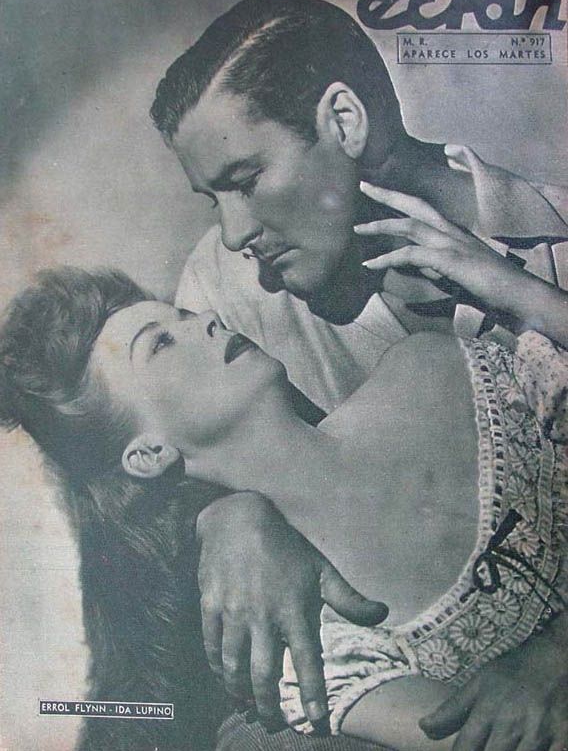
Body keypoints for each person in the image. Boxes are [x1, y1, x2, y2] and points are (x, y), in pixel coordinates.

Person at [149, 0, 568, 748]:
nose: (234, 232)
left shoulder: (558, 245)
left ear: (345, 121)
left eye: (246, 178)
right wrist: (226, 515)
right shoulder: (225, 287)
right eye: (214, 198)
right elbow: (158, 447)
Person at [0, 267, 566, 750]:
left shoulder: (428, 364)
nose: (206, 320)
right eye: (161, 343)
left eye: (183, 315)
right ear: (148, 454)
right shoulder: (302, 644)